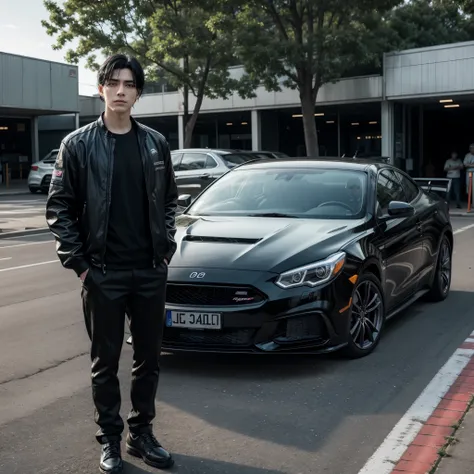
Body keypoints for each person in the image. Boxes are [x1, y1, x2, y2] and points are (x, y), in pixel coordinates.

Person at [45, 54, 178, 474]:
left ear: (138, 92)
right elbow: (59, 208)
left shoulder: (155, 143)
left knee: (149, 359)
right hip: (102, 273)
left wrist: (166, 248)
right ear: (101, 88)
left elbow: (170, 201)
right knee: (104, 363)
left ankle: (142, 434)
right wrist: (81, 265)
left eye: (129, 84)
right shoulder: (78, 144)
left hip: (149, 270)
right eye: (113, 83)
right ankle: (110, 439)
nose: (121, 91)